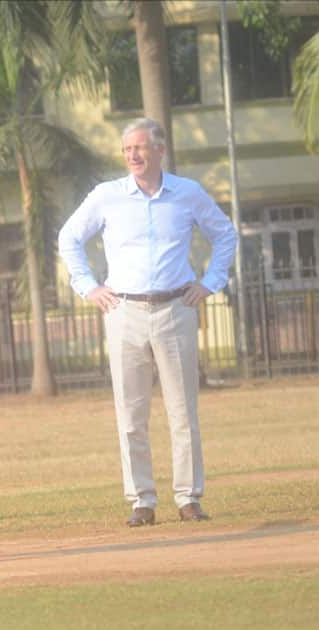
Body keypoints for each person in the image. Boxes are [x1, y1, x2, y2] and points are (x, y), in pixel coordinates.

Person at [58, 118, 237, 527]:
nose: (134, 155)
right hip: (124, 312)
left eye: (141, 147)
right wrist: (88, 287)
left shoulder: (187, 194)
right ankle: (141, 499)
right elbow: (69, 238)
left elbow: (225, 234)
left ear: (160, 150)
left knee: (182, 410)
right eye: (127, 150)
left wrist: (210, 282)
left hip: (176, 308)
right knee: (131, 412)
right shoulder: (106, 197)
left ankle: (188, 497)